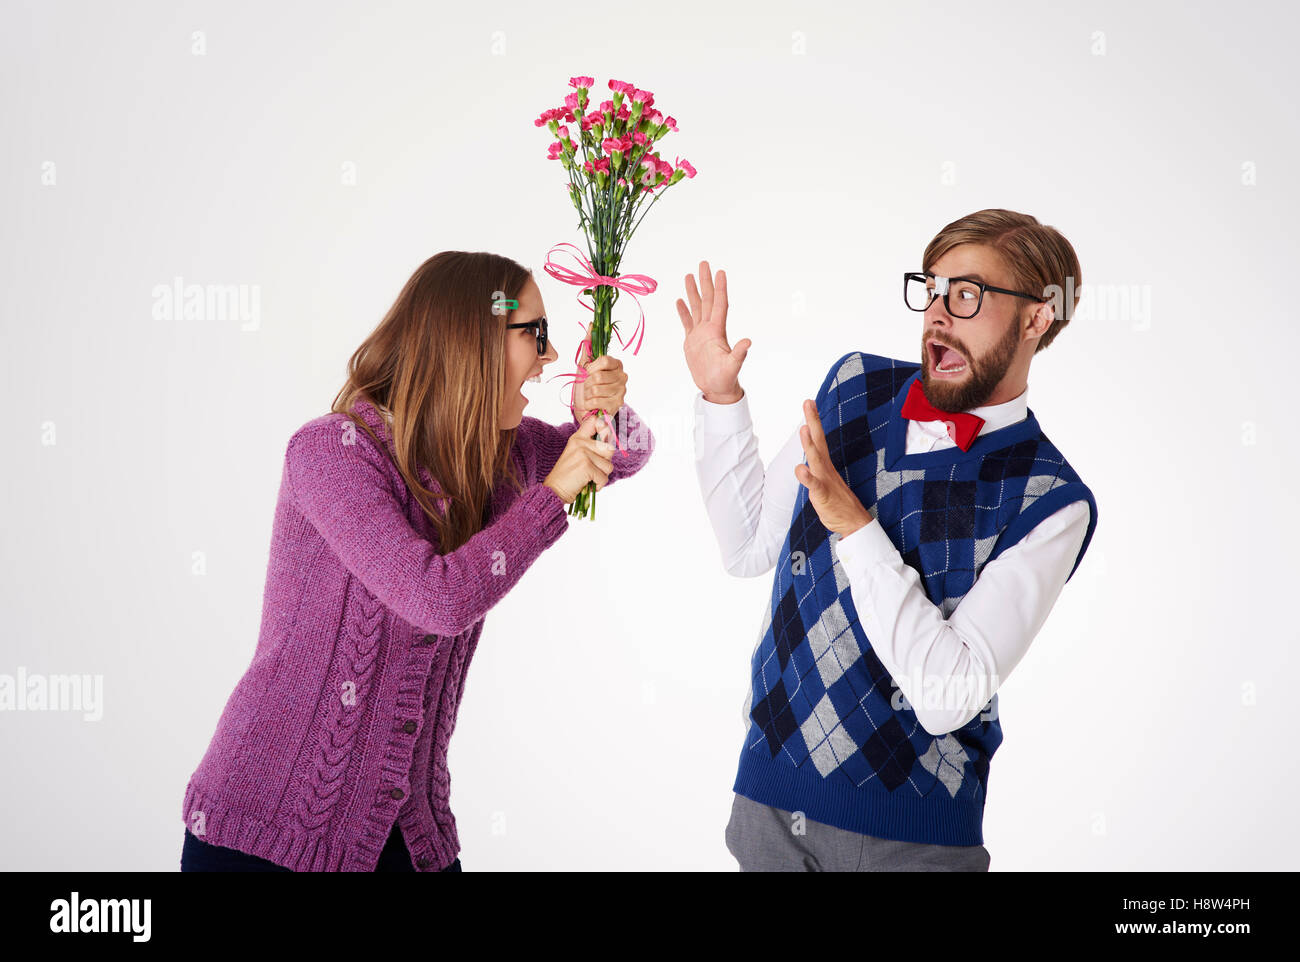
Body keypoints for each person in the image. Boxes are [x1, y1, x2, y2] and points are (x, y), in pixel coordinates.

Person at [180, 251, 653, 871]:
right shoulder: (333, 452)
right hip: (264, 832)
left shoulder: (502, 455)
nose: (549, 356)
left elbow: (628, 455)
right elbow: (437, 598)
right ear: (474, 338)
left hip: (410, 836)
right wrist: (549, 499)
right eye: (533, 333)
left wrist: (602, 411)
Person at [680, 208, 1097, 871]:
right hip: (766, 803)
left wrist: (857, 527)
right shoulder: (854, 389)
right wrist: (719, 399)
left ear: (1036, 317)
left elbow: (947, 699)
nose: (937, 312)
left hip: (911, 841)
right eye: (931, 289)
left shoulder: (1052, 500)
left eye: (966, 295)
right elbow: (748, 549)